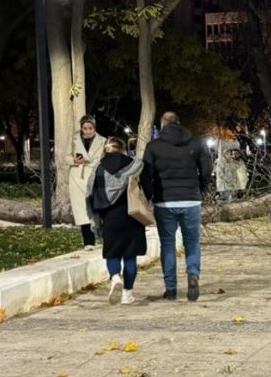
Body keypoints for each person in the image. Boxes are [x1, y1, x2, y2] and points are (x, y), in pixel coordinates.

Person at [142, 111, 212, 301]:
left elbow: (145, 174)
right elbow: (207, 169)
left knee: (167, 244)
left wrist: (150, 196)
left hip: (164, 201)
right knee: (192, 242)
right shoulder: (195, 143)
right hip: (191, 200)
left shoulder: (153, 147)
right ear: (179, 123)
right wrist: (199, 188)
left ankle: (171, 288)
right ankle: (193, 273)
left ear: (162, 125)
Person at [86, 137, 147, 305]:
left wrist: (94, 218)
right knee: (130, 256)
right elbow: (147, 188)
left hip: (110, 217)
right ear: (123, 149)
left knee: (112, 252)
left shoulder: (99, 168)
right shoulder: (135, 165)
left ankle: (114, 277)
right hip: (132, 215)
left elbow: (90, 194)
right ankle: (127, 294)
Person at [69, 115, 105, 249]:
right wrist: (74, 161)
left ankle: (103, 236)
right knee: (82, 211)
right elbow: (65, 156)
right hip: (78, 177)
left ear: (94, 128)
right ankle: (88, 241)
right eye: (85, 128)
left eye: (90, 128)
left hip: (95, 177)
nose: (88, 131)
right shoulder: (74, 139)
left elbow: (105, 159)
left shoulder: (103, 141)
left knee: (97, 208)